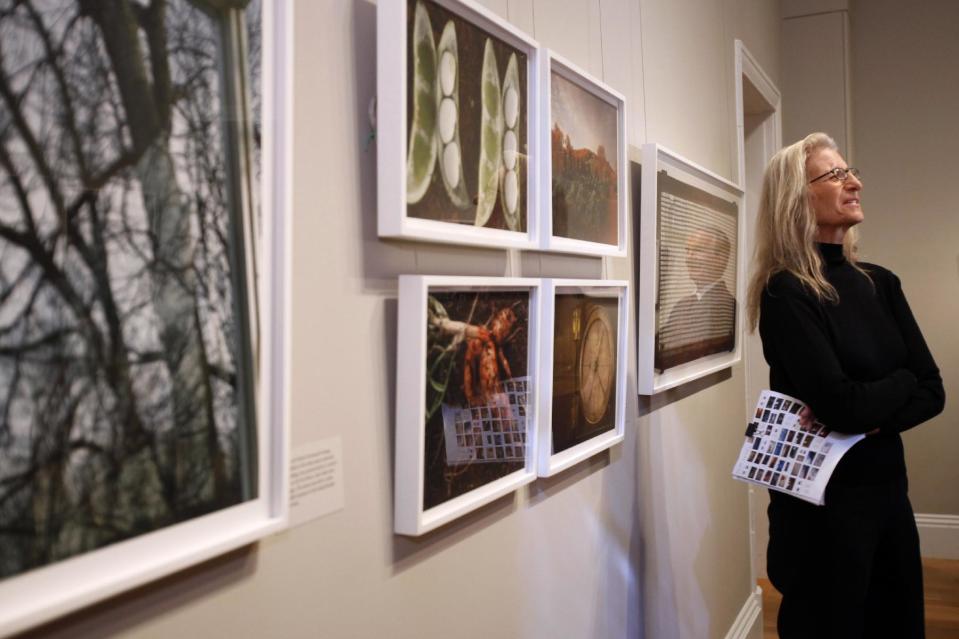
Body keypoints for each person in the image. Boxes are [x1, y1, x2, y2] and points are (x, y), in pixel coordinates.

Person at [746, 132, 945, 638]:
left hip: (886, 492)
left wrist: (869, 412)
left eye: (848, 170)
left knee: (896, 622)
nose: (854, 181)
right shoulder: (786, 291)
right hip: (821, 508)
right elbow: (841, 404)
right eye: (834, 175)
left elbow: (932, 390)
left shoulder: (881, 282)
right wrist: (895, 387)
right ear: (798, 196)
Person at [656, 226, 736, 369]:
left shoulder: (726, 306)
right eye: (688, 251)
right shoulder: (682, 304)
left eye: (698, 250)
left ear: (720, 258)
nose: (689, 259)